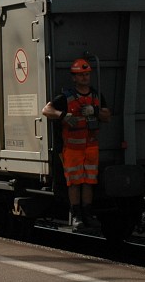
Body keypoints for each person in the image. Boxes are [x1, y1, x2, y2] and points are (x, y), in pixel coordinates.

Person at [41, 58, 111, 230]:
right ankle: (77, 216)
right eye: (81, 75)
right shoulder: (66, 97)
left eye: (87, 74)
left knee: (88, 181)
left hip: (91, 147)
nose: (85, 78)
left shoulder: (96, 95)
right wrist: (63, 115)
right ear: (74, 78)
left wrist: (95, 110)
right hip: (72, 148)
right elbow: (46, 110)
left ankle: (87, 214)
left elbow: (107, 116)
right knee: (74, 182)